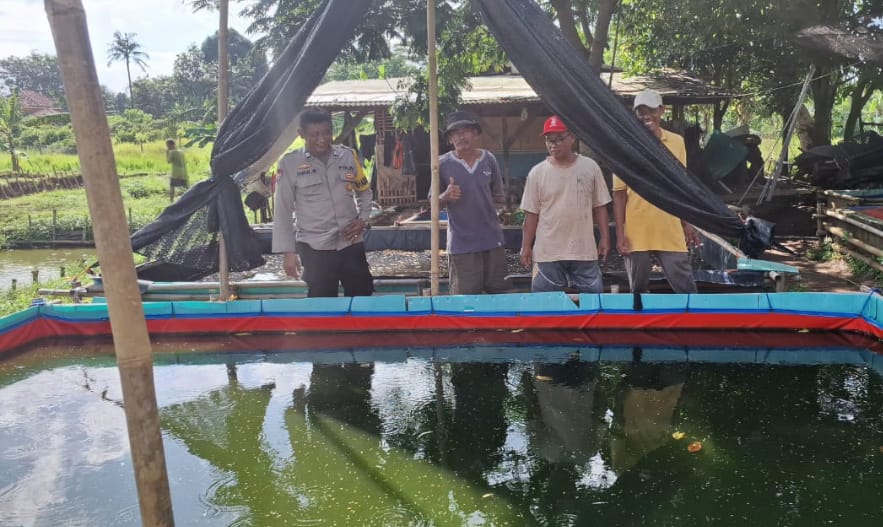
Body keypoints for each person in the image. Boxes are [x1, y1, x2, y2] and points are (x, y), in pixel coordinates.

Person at [272, 108, 374, 297]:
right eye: (314, 134)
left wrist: (363, 219)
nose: (322, 139)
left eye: (327, 132)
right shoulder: (289, 163)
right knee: (322, 300)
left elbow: (364, 191)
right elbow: (283, 210)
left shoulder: (347, 156)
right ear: (301, 134)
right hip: (315, 247)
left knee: (362, 295)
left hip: (350, 243)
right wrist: (288, 253)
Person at [612, 89, 699, 294]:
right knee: (638, 288)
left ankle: (695, 320)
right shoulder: (624, 147)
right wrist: (620, 233)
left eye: (651, 110)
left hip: (669, 225)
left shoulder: (676, 142)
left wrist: (687, 223)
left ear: (661, 110)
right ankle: (641, 322)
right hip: (636, 228)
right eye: (641, 112)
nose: (646, 116)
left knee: (685, 285)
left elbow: (682, 186)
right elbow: (619, 193)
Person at [520, 116, 611, 293]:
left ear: (572, 137)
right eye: (549, 140)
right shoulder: (537, 173)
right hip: (547, 253)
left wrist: (605, 238)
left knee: (591, 304)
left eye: (559, 138)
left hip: (583, 251)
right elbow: (531, 214)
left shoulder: (590, 167)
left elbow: (600, 206)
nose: (554, 144)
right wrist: (526, 247)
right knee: (545, 307)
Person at [436, 110, 508, 295]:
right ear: (450, 139)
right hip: (462, 244)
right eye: (455, 133)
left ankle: (498, 325)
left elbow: (498, 197)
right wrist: (445, 196)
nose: (461, 136)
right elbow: (432, 204)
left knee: (498, 293)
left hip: (492, 240)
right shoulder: (442, 164)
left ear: (475, 134)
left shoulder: (489, 159)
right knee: (466, 298)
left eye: (465, 130)